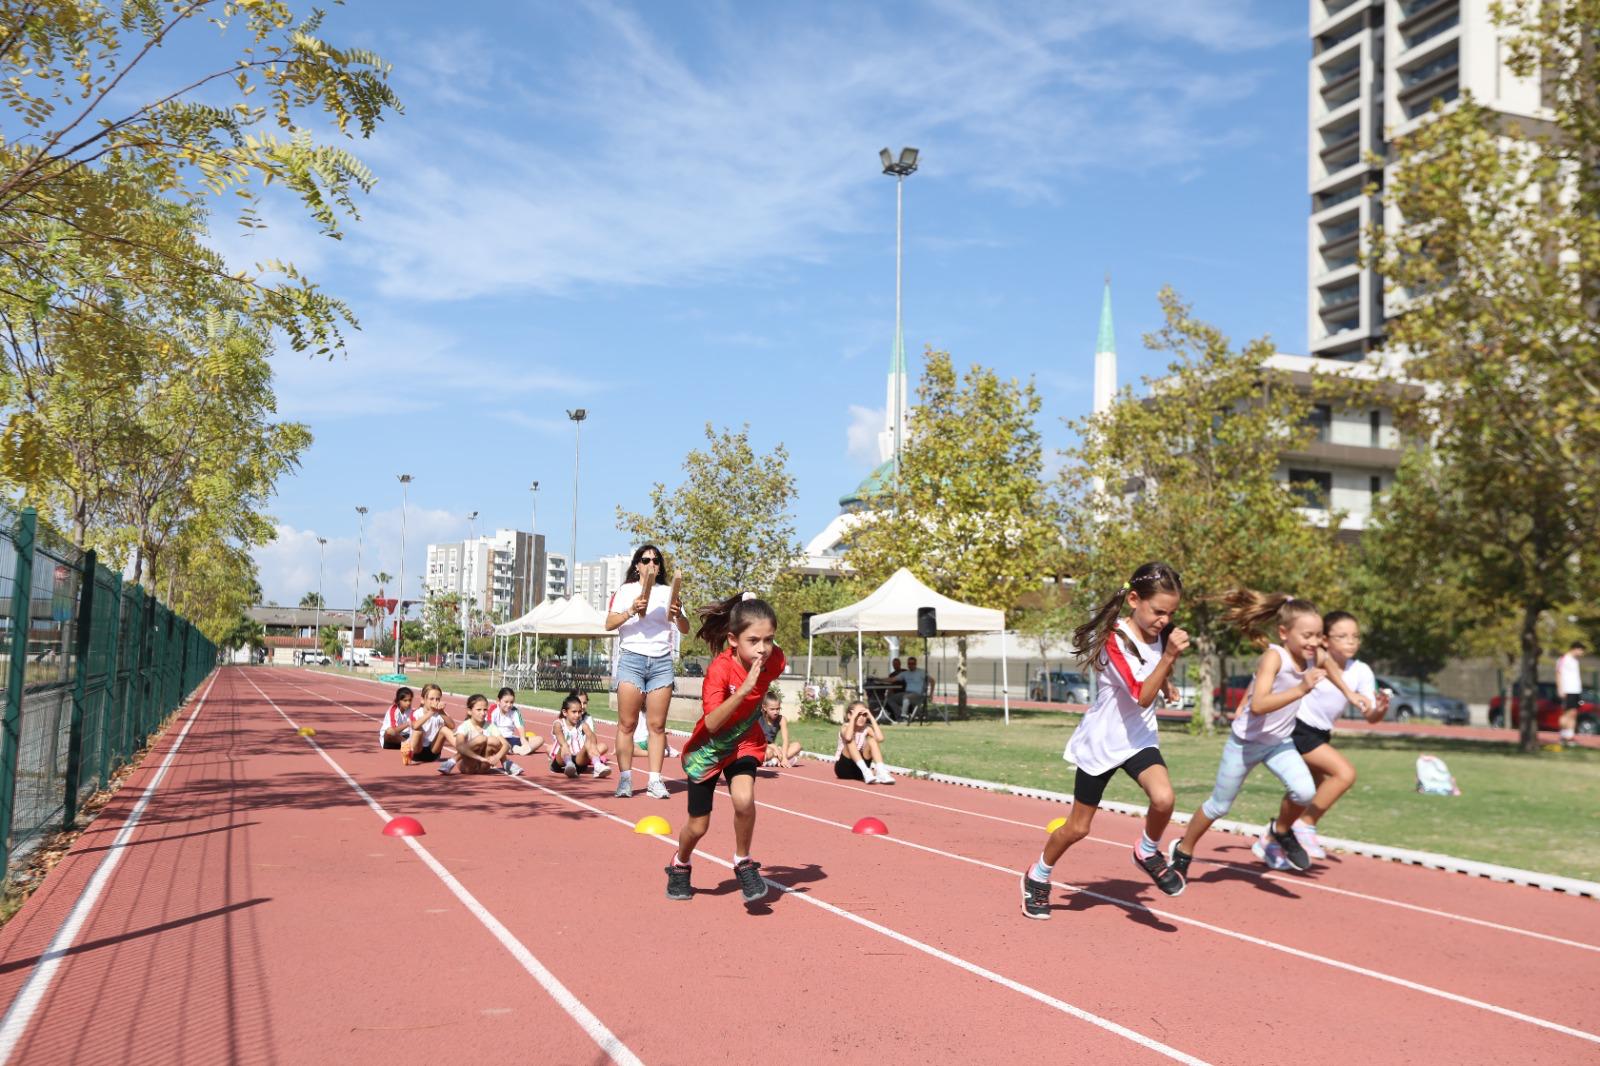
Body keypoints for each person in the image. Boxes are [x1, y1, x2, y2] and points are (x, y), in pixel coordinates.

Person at [1020, 563, 1190, 920]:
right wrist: (1171, 658)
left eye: (1171, 613)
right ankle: (1038, 875)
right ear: (1133, 600)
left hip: (1139, 737)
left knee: (1164, 799)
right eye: (1158, 611)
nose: (1164, 620)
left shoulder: (1163, 631)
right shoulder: (1116, 640)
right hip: (1103, 742)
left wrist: (1168, 680)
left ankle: (1146, 850)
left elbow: (1155, 668)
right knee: (1079, 827)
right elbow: (1140, 694)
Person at [1168, 589, 1373, 880]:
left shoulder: (1316, 655)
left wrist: (1351, 694)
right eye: (1307, 636)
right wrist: (1302, 688)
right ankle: (1184, 849)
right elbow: (1260, 704)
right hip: (1245, 744)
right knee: (1219, 806)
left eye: (1317, 635)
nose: (1314, 642)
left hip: (1279, 743)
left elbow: (1329, 666)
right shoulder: (1273, 658)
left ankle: (1280, 831)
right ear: (1284, 633)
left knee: (1304, 791)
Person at [666, 594, 784, 903]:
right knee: (698, 825)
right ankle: (680, 863)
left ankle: (743, 861)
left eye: (768, 639)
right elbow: (714, 722)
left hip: (745, 740)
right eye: (754, 640)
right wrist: (744, 690)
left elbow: (772, 657)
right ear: (732, 639)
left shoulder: (775, 660)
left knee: (744, 801)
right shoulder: (719, 670)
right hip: (710, 748)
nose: (762, 648)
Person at [1272, 611, 1387, 861]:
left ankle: (1271, 839)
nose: (1351, 642)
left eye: (1356, 636)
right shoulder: (1313, 658)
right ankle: (1305, 824)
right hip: (1298, 726)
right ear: (1325, 640)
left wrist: (1380, 709)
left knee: (1305, 790)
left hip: (1321, 733)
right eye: (1342, 636)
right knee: (1344, 774)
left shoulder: (1362, 670)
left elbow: (1369, 715)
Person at [606, 545, 690, 800]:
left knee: (657, 725)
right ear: (637, 565)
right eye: (646, 559)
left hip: (661, 662)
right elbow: (609, 623)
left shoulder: (668, 592)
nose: (652, 563)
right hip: (632, 659)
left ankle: (655, 780)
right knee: (628, 724)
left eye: (656, 560)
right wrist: (631, 609)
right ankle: (625, 778)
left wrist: (676, 615)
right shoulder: (625, 591)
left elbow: (685, 628)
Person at [446, 694, 513, 776]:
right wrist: (480, 758)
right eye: (479, 710)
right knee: (481, 738)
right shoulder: (464, 726)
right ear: (469, 711)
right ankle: (451, 761)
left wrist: (497, 757)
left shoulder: (490, 726)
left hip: (483, 767)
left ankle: (506, 763)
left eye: (485, 710)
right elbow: (459, 746)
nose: (483, 713)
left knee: (493, 740)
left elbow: (506, 744)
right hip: (467, 766)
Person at [550, 694, 611, 779]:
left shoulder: (583, 724)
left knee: (590, 741)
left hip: (579, 759)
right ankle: (569, 765)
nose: (577, 715)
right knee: (564, 744)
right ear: (565, 712)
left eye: (579, 712)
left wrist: (590, 740)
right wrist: (564, 745)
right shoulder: (558, 724)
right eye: (574, 712)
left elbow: (592, 739)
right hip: (561, 760)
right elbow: (559, 736)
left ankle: (598, 766)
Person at [835, 701, 894, 784]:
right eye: (858, 714)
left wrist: (871, 718)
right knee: (850, 740)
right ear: (850, 715)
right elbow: (848, 737)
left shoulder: (867, 728)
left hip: (860, 771)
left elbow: (880, 739)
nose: (862, 717)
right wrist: (853, 718)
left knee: (872, 740)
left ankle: (881, 772)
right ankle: (866, 771)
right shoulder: (845, 727)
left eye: (864, 715)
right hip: (844, 769)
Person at [406, 683, 455, 769]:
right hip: (417, 752)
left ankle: (463, 750)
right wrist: (431, 712)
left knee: (444, 729)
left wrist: (441, 712)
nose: (435, 702)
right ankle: (409, 755)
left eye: (438, 699)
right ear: (423, 700)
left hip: (433, 752)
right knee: (418, 730)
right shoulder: (416, 713)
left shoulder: (441, 714)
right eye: (431, 699)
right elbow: (415, 726)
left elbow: (452, 726)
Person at [490, 687, 543, 764]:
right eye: (506, 702)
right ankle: (511, 749)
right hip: (498, 739)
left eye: (511, 702)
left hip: (511, 739)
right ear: (498, 701)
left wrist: (524, 741)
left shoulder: (515, 711)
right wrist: (503, 742)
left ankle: (518, 750)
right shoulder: (493, 709)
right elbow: (490, 728)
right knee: (492, 741)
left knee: (540, 739)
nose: (509, 705)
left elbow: (520, 727)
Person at [760, 690, 802, 768]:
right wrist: (774, 747)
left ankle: (776, 760)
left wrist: (784, 757)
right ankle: (776, 759)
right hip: (761, 746)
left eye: (778, 709)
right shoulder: (758, 717)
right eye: (772, 709)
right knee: (769, 752)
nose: (775, 712)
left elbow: (785, 740)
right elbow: (755, 741)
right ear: (764, 707)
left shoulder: (782, 719)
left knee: (797, 745)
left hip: (773, 749)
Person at [1557, 641, 1586, 747]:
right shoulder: (1563, 659)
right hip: (1567, 690)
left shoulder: (1575, 661)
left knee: (1573, 713)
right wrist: (1560, 689)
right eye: (1581, 650)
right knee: (1566, 713)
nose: (1582, 653)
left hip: (1576, 691)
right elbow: (1558, 673)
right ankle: (1562, 735)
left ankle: (1570, 736)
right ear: (1575, 648)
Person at [381, 686, 414, 759]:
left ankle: (408, 746)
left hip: (404, 738)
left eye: (410, 700)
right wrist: (408, 724)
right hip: (390, 740)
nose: (408, 703)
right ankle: (409, 745)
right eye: (405, 700)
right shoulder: (393, 710)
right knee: (390, 731)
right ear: (398, 701)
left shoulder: (410, 710)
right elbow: (393, 731)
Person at [897, 656, 929, 720]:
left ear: (915, 664)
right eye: (909, 664)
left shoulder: (921, 672)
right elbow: (892, 679)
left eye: (912, 663)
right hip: (907, 693)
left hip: (917, 694)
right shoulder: (905, 673)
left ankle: (904, 715)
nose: (911, 665)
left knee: (906, 697)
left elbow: (932, 681)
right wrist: (880, 679)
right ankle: (898, 715)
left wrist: (930, 693)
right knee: (890, 698)